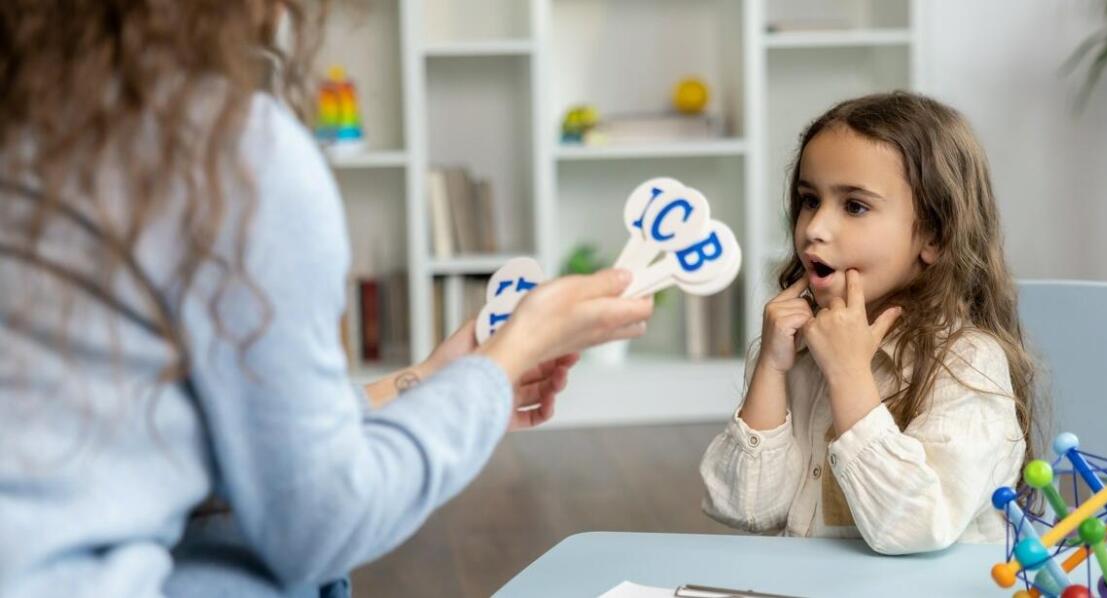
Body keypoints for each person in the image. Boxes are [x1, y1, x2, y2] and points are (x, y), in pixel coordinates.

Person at [0, 2, 652, 596]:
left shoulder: (33, 120)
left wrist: (429, 378)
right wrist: (508, 357)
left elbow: (201, 438)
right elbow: (319, 521)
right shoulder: (232, 151)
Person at [699, 92, 1042, 555]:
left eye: (855, 206)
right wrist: (771, 370)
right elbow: (745, 509)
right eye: (809, 200)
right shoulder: (797, 348)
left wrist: (848, 375)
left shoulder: (968, 363)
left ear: (934, 235)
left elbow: (914, 527)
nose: (814, 228)